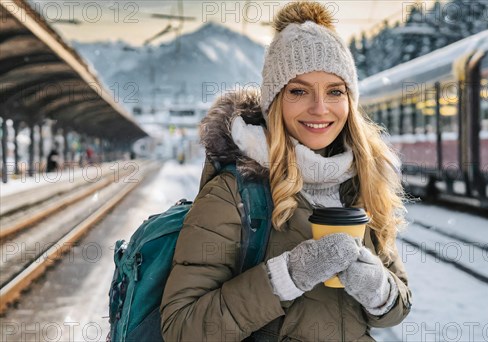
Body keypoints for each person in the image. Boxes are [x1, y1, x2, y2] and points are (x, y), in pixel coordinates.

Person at [160, 2, 412, 341]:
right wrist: (285, 276)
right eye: (298, 91)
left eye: (335, 91)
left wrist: (378, 287)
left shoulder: (363, 182)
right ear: (274, 101)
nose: (320, 108)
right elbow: (182, 329)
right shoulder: (234, 194)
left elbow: (397, 306)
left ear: (350, 102)